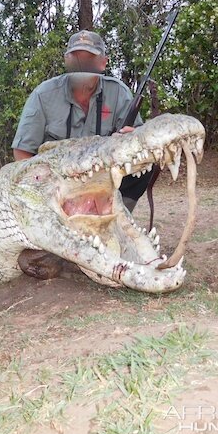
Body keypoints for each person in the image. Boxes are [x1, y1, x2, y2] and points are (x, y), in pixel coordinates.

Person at [12, 30, 153, 279]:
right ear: (67, 61)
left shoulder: (118, 93)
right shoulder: (44, 96)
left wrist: (133, 138)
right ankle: (59, 237)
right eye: (77, 59)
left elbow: (138, 142)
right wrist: (43, 197)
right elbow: (22, 152)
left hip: (100, 182)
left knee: (147, 168)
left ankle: (111, 224)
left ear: (103, 62)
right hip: (59, 187)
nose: (82, 66)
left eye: (89, 59)